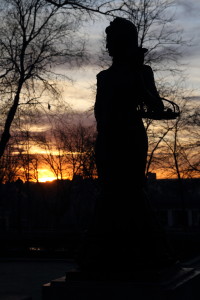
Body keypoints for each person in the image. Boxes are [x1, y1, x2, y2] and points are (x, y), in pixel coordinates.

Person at [79, 17, 177, 272]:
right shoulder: (104, 77)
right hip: (109, 138)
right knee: (110, 190)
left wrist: (141, 85)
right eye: (108, 40)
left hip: (130, 138)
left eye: (112, 40)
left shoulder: (142, 72)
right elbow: (100, 112)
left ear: (123, 42)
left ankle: (150, 253)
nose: (108, 46)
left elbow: (155, 105)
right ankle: (106, 254)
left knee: (131, 190)